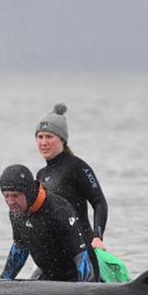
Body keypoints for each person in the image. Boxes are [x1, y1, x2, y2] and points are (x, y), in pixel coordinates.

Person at [0, 164, 98, 282]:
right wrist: (4, 282)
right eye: (6, 196)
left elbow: (81, 257)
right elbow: (20, 248)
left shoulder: (58, 209)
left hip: (77, 279)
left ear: (28, 192)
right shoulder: (16, 213)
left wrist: (84, 290)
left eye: (15, 195)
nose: (10, 202)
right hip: (49, 280)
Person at [34, 103, 108, 251]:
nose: (43, 142)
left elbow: (99, 202)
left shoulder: (77, 167)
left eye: (49, 136)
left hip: (82, 248)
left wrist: (97, 237)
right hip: (56, 252)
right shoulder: (41, 175)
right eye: (39, 137)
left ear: (62, 139)